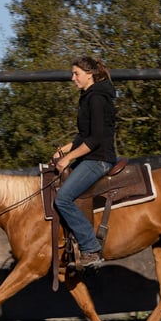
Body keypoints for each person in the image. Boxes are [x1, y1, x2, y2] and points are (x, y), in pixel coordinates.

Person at [53, 55, 117, 271]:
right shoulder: (88, 95)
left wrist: (69, 158)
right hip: (90, 155)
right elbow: (83, 136)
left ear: (89, 74)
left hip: (99, 160)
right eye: (73, 73)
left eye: (76, 74)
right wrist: (63, 150)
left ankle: (90, 248)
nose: (73, 78)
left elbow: (95, 139)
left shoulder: (97, 98)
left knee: (62, 199)